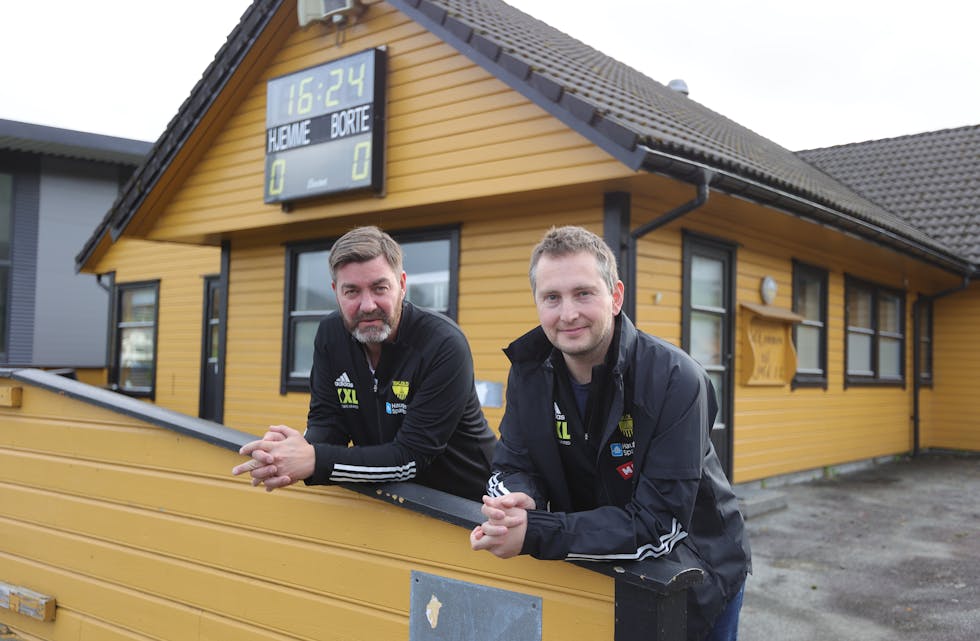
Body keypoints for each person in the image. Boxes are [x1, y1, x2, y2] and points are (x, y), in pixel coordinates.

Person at [469, 226, 751, 641]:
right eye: (552, 297)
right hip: (595, 564)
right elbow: (512, 462)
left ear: (615, 296)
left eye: (583, 293)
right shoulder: (527, 373)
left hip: (697, 572)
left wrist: (539, 531)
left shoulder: (675, 379)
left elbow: (660, 523)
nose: (568, 314)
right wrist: (522, 497)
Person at [232, 225, 495, 501]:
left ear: (402, 285)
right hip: (390, 504)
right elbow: (328, 422)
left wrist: (315, 460)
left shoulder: (442, 344)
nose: (368, 305)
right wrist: (292, 452)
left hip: (469, 508)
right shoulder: (330, 336)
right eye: (352, 291)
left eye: (379, 288)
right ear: (336, 292)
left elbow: (411, 458)